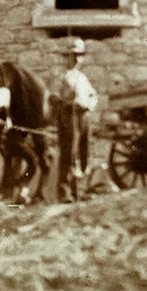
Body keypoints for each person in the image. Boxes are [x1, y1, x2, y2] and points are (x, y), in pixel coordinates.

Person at [53, 37, 97, 202]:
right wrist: (69, 103)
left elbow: (93, 94)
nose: (77, 59)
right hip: (69, 116)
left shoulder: (82, 77)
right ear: (67, 57)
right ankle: (64, 192)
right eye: (73, 55)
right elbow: (55, 98)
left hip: (83, 116)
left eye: (79, 55)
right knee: (69, 153)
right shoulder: (62, 76)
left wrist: (89, 105)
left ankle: (80, 190)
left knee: (84, 151)